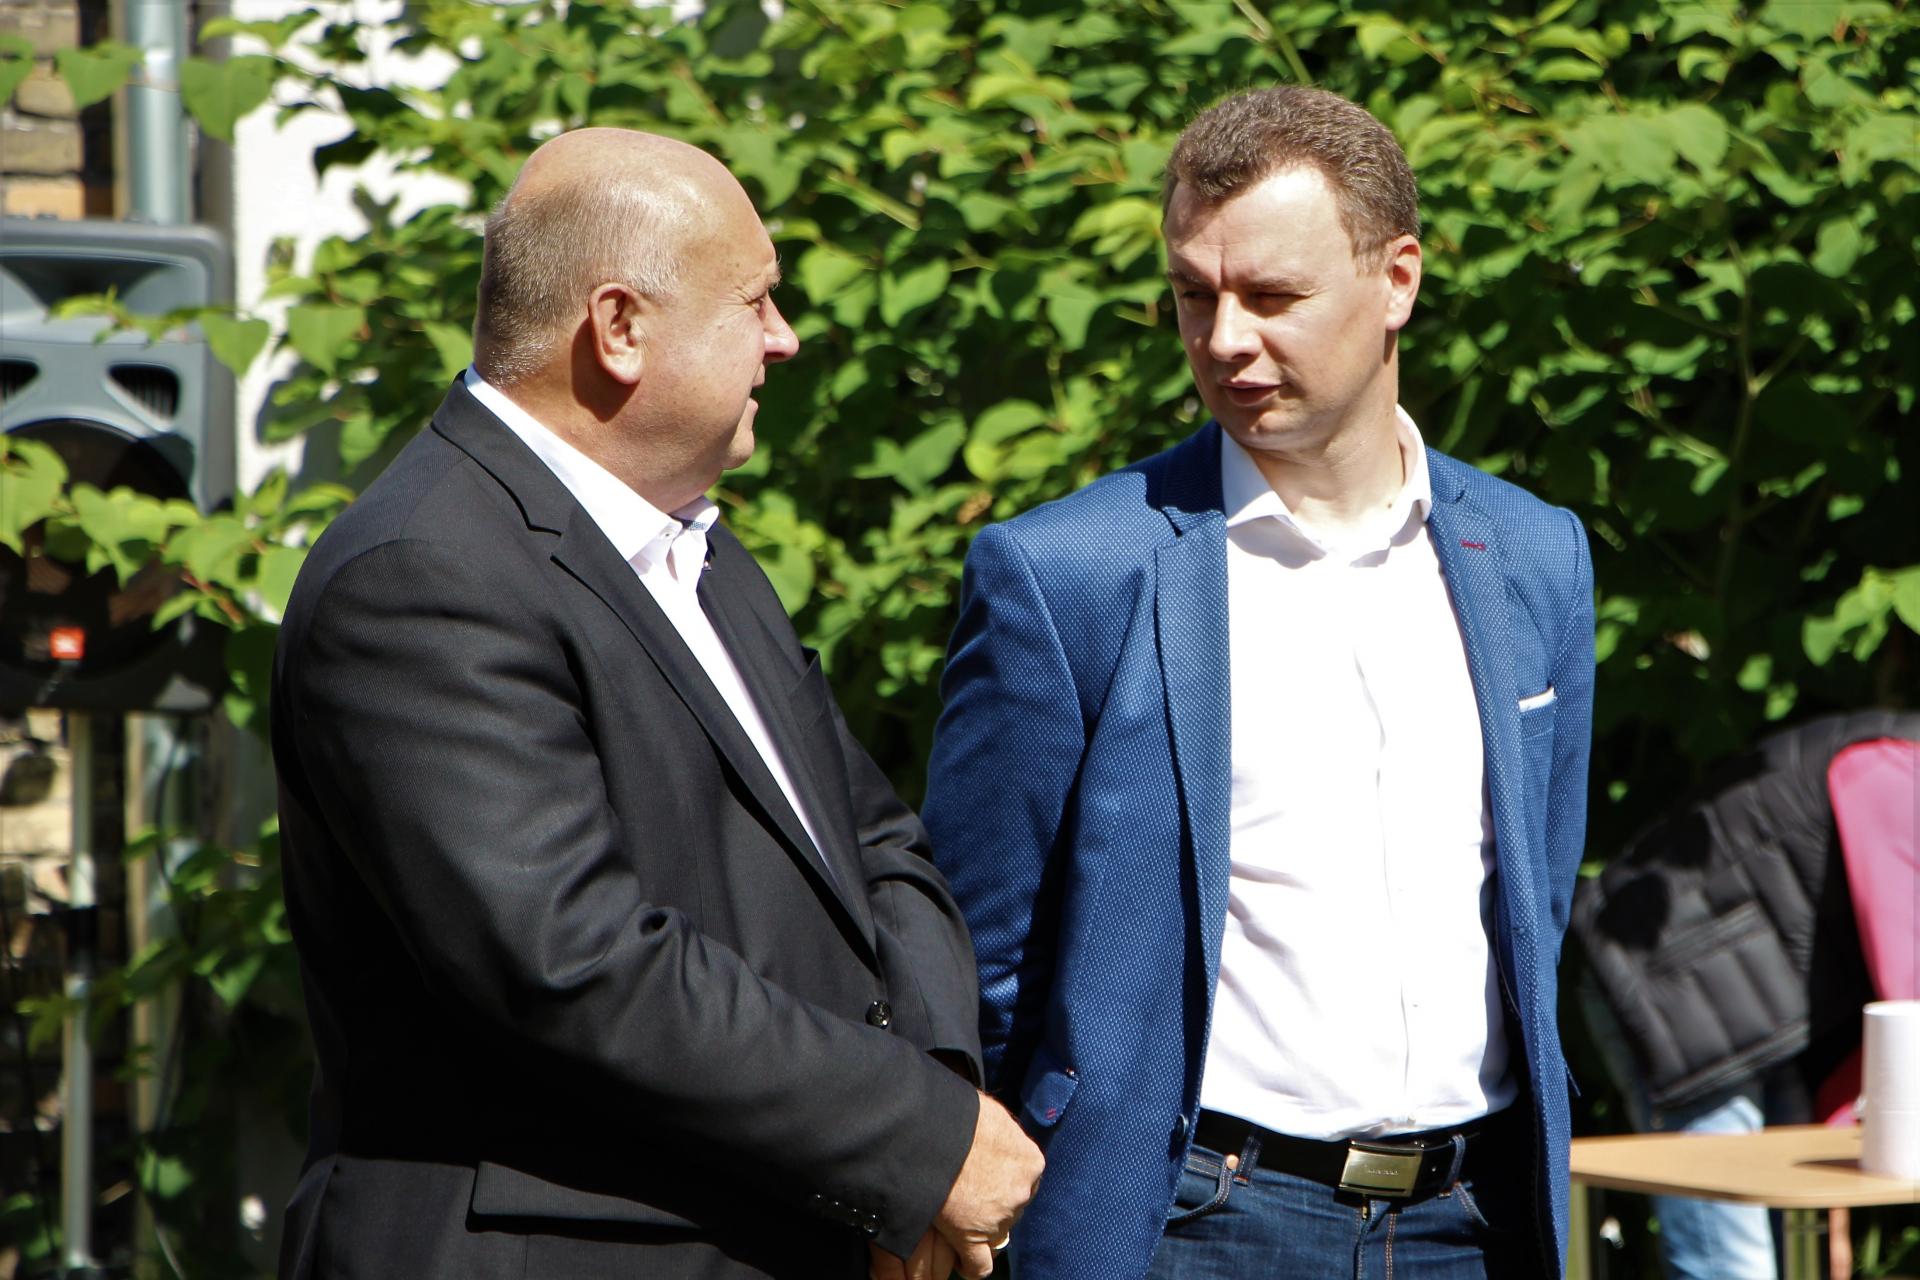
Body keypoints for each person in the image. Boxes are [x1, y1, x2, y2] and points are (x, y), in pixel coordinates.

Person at [270, 128, 1041, 1280]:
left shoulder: (697, 553)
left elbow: (877, 850)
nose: (784, 337)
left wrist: (926, 1121)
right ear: (620, 326)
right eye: (755, 300)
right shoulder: (422, 572)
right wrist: (914, 1142)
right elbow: (569, 962)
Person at [923, 86, 1594, 1279]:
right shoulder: (1072, 572)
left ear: (1398, 279)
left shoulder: (1535, 554)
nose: (1225, 338)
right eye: (1195, 294)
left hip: (1476, 1220)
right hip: (1196, 1219)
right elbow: (977, 952)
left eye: (1274, 297)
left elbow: (1539, 891)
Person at [1574, 708, 1920, 1280]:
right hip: (1670, 990)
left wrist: (1837, 1172)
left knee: (1800, 1253)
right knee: (1732, 1266)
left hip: (1769, 1016)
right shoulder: (1894, 769)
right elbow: (1907, 999)